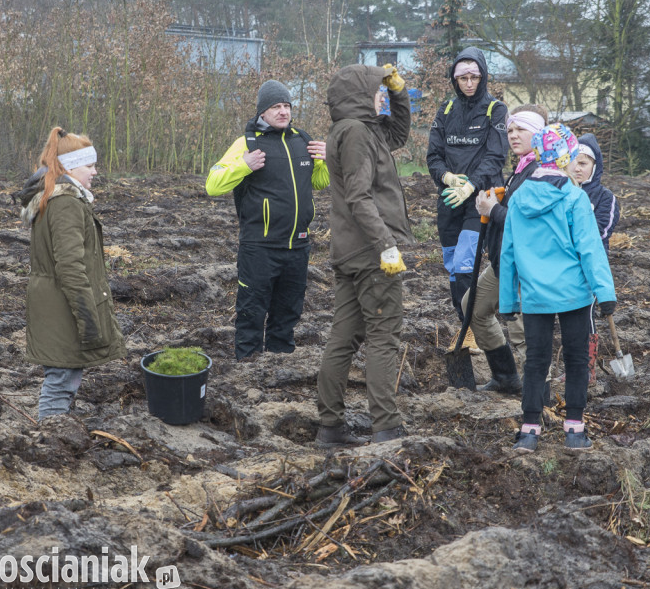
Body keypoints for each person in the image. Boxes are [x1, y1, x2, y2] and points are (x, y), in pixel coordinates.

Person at [499, 124, 617, 453]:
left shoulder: (518, 198)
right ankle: (575, 430)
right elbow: (590, 249)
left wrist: (508, 300)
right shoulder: (575, 198)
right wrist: (605, 293)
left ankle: (529, 430)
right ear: (566, 156)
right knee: (577, 360)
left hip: (535, 296)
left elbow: (507, 253)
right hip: (574, 295)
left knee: (536, 361)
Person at [315, 63, 413, 447]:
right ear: (358, 96)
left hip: (351, 250)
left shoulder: (361, 129)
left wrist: (399, 92)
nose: (381, 97)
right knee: (382, 336)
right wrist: (385, 245)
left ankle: (330, 428)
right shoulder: (356, 134)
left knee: (344, 336)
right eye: (377, 91)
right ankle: (386, 428)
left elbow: (399, 134)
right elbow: (358, 197)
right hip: (370, 254)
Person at [206, 79, 329, 359]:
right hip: (259, 247)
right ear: (263, 111)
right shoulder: (247, 143)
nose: (283, 112)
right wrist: (243, 165)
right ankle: (247, 371)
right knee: (251, 312)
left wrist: (324, 161)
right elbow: (213, 184)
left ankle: (278, 366)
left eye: (287, 106)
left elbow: (320, 183)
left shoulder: (303, 140)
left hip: (298, 247)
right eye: (276, 106)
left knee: (287, 314)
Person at [19, 127, 126, 420]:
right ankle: (49, 442)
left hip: (57, 303)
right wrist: (87, 318)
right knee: (61, 380)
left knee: (67, 376)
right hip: (62, 306)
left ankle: (57, 433)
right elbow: (70, 267)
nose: (95, 172)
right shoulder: (65, 203)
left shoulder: (59, 197)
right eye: (89, 165)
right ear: (69, 167)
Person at [426, 47, 509, 342]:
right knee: (452, 267)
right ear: (455, 80)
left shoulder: (495, 110)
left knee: (465, 265)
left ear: (483, 76)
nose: (469, 83)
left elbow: (496, 157)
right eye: (463, 78)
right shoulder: (445, 111)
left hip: (481, 201)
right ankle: (465, 326)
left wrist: (468, 186)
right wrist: (447, 178)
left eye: (474, 77)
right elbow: (433, 155)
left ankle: (472, 330)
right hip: (449, 202)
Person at [466, 104, 549, 393]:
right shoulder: (521, 167)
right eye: (510, 129)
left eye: (521, 129)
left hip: (527, 265)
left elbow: (529, 224)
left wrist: (495, 209)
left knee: (523, 331)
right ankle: (505, 377)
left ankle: (538, 393)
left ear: (538, 134)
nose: (513, 135)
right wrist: (497, 201)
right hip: (504, 261)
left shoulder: (541, 171)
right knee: (472, 308)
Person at [566, 133, 621, 385]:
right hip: (561, 267)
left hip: (588, 269)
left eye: (583, 163)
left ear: (594, 167)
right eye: (573, 161)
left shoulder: (604, 197)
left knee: (584, 315)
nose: (577, 168)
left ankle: (587, 369)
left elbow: (599, 232)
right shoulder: (560, 191)